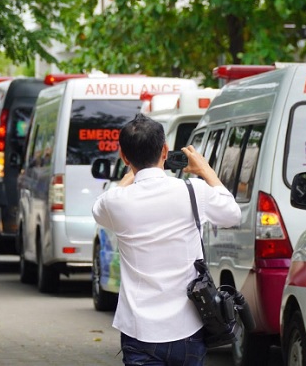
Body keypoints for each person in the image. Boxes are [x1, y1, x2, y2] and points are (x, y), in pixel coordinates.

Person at [92, 114, 241, 366]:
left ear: (124, 157)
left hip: (139, 330)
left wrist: (131, 171)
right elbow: (232, 214)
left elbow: (101, 206)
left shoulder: (114, 202)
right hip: (187, 328)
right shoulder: (193, 191)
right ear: (165, 150)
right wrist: (205, 170)